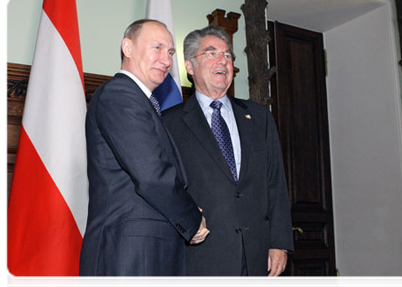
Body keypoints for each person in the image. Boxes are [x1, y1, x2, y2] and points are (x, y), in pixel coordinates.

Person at [79, 19, 209, 287]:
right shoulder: (120, 94)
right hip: (130, 256)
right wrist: (192, 219)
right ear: (127, 47)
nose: (166, 59)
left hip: (146, 253)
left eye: (171, 52)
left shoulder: (141, 102)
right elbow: (152, 174)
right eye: (157, 47)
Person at [162, 25, 294, 287]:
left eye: (227, 55)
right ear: (189, 66)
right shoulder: (169, 123)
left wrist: (279, 242)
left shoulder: (258, 117)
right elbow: (166, 188)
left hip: (257, 260)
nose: (223, 60)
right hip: (201, 260)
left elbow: (275, 183)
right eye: (211, 54)